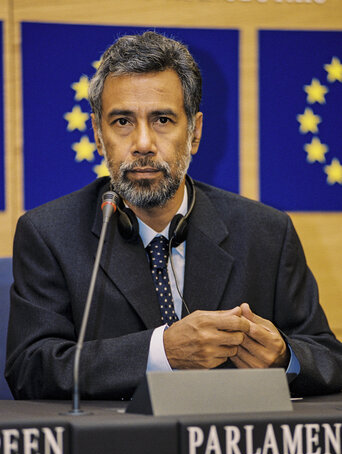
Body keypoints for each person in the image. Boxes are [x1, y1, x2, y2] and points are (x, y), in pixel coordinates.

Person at [5, 31, 342, 400]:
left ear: (194, 133)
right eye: (122, 122)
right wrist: (161, 352)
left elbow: (327, 359)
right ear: (98, 136)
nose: (144, 143)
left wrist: (284, 357)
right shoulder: (49, 234)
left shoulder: (267, 234)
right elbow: (30, 367)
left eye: (162, 120)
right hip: (113, 452)